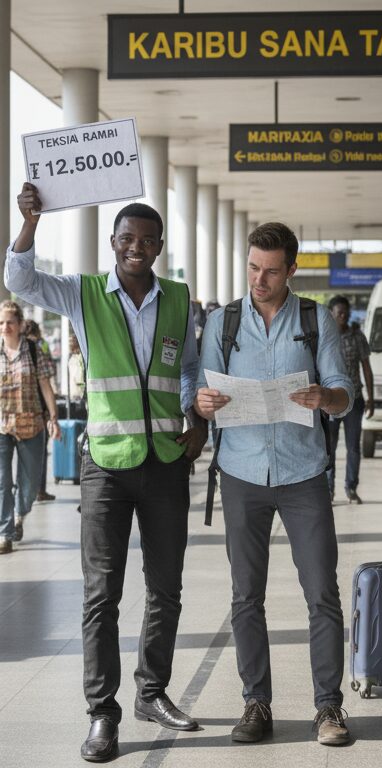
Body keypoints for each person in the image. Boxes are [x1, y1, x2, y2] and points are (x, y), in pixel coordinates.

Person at [8, 182, 208, 761]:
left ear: (160, 246)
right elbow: (19, 280)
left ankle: (153, 692)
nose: (135, 248)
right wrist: (30, 222)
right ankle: (103, 713)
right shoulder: (82, 293)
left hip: (168, 462)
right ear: (112, 243)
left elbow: (188, 369)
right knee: (102, 595)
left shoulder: (178, 298)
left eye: (146, 240)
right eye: (126, 239)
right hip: (107, 468)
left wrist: (197, 420)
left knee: (165, 590)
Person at [194, 222, 354, 746]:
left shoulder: (315, 320)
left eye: (271, 270)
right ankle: (255, 703)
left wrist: (324, 398)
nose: (259, 279)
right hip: (241, 473)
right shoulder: (223, 322)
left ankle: (328, 708)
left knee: (322, 594)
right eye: (253, 268)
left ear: (292, 269)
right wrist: (202, 402)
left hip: (303, 473)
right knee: (246, 597)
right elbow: (200, 388)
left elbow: (344, 391)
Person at [0, 302, 60, 552]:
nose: (5, 327)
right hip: (2, 426)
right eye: (1, 323)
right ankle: (5, 533)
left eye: (10, 322)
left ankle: (19, 514)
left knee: (29, 484)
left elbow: (46, 386)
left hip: (32, 425)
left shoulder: (34, 351)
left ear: (21, 324)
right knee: (2, 481)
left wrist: (53, 418)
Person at [325, 295, 374, 504]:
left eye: (346, 312)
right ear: (331, 314)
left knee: (353, 447)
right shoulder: (324, 337)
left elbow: (366, 367)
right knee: (329, 447)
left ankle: (351, 488)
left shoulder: (357, 337)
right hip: (329, 401)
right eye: (339, 313)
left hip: (354, 399)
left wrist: (372, 397)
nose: (343, 316)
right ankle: (328, 490)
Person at [23, 319, 57, 503]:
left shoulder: (15, 347)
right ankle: (39, 491)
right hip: (39, 405)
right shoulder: (40, 345)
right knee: (40, 450)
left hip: (20, 408)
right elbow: (50, 370)